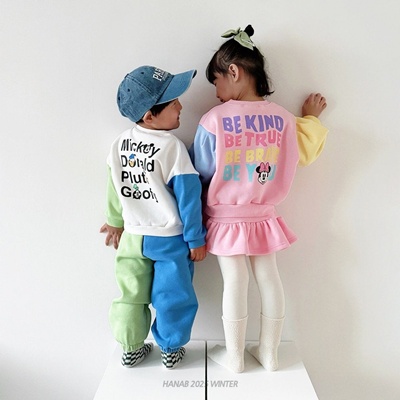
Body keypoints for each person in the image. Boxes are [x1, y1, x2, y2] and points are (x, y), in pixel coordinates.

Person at [190, 25, 328, 373]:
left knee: (235, 282)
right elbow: (305, 152)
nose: (216, 92)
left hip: (225, 217)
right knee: (269, 278)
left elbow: (201, 170)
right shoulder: (283, 119)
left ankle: (235, 356)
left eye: (216, 82)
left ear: (233, 72)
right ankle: (269, 352)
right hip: (264, 215)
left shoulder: (213, 120)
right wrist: (311, 118)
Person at [100, 65, 206, 369]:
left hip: (132, 238)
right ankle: (170, 349)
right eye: (173, 103)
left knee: (130, 294)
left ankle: (131, 347)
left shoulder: (119, 144)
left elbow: (114, 186)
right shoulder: (172, 148)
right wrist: (195, 238)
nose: (181, 106)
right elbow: (189, 198)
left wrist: (115, 221)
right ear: (149, 116)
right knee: (172, 294)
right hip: (169, 239)